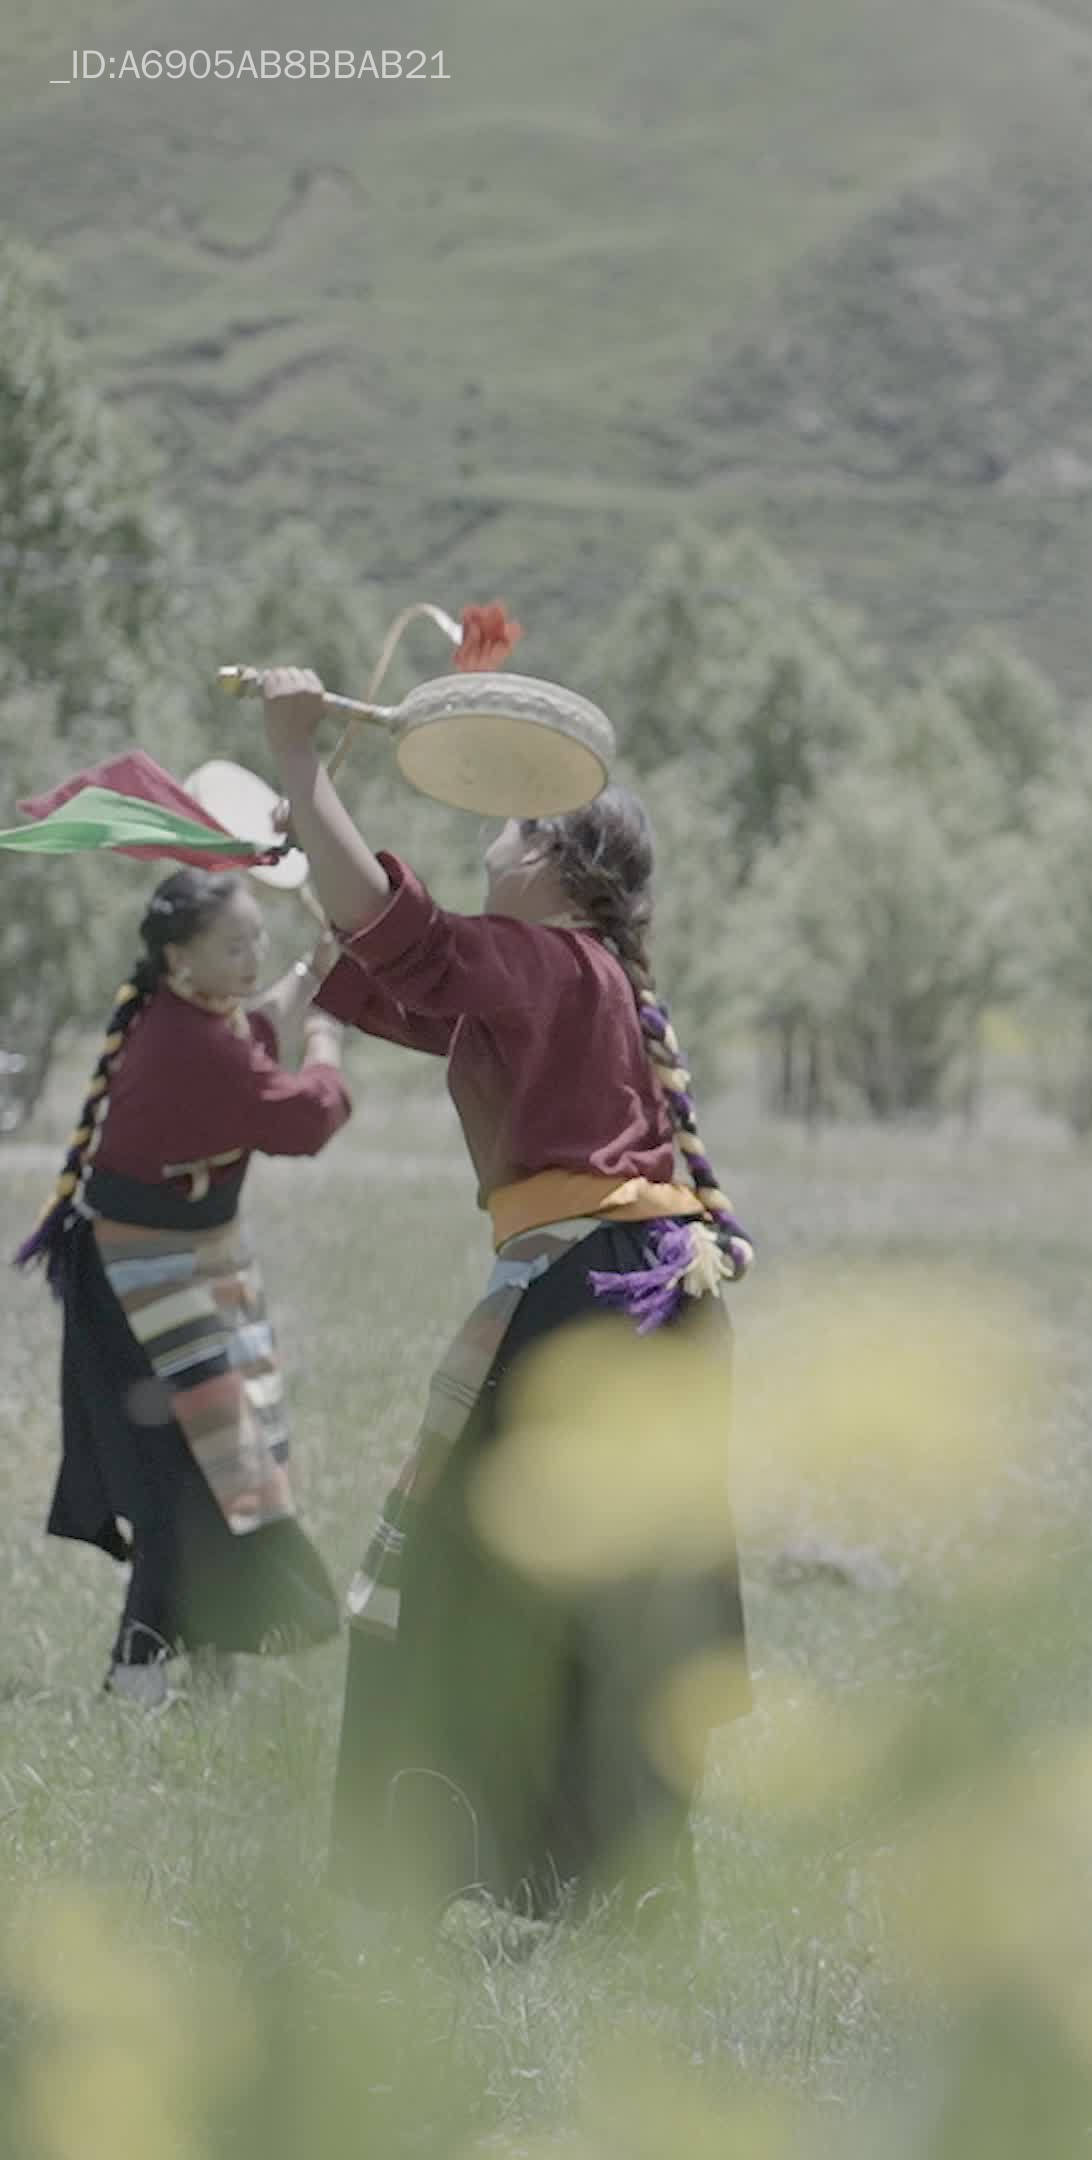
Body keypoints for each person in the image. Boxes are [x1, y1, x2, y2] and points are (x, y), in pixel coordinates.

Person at [253, 665, 755, 1932]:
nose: (489, 838)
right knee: (604, 1600)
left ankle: (465, 1879)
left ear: (559, 868)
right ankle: (614, 1897)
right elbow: (387, 963)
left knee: (466, 1586)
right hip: (637, 1294)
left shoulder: (554, 965)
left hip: (595, 1296)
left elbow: (403, 937)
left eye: (513, 826)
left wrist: (301, 758)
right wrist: (312, 830)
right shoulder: (575, 975)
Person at [25, 869, 349, 1703]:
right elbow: (304, 1117)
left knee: (218, 1469)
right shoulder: (194, 1045)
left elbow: (252, 1028)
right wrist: (328, 1036)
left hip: (176, 1269)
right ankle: (136, 1677)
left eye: (258, 942)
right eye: (234, 946)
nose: (252, 958)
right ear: (180, 959)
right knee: (187, 1482)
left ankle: (206, 1669)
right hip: (141, 1281)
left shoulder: (188, 1019)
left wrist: (313, 972)